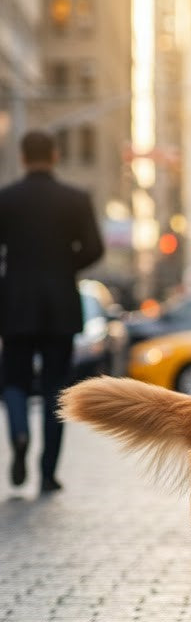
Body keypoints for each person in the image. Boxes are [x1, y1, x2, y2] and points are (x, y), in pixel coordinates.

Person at [0, 130, 104, 493]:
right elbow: (94, 248)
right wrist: (64, 266)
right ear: (56, 156)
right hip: (60, 303)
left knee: (12, 379)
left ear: (24, 157)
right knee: (55, 389)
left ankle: (18, 432)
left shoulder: (6, 199)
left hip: (14, 304)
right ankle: (47, 474)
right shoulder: (75, 200)